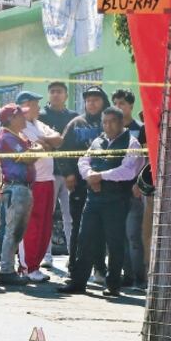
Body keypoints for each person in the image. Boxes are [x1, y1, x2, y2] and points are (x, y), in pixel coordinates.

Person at [58, 107, 143, 297]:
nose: (108, 125)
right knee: (85, 240)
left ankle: (113, 285)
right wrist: (90, 176)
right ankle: (78, 282)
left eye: (112, 121)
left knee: (114, 242)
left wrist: (100, 177)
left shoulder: (132, 142)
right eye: (105, 122)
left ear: (121, 122)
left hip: (116, 200)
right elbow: (83, 162)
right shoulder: (98, 141)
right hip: (94, 198)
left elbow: (128, 170)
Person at [58, 86, 110, 276]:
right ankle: (74, 268)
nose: (91, 103)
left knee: (102, 229)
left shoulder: (110, 123)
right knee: (78, 226)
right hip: (79, 184)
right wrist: (68, 174)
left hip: (106, 184)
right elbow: (62, 151)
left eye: (96, 99)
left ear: (103, 101)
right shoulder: (76, 124)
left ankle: (100, 269)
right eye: (88, 100)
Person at [11, 90, 62, 282]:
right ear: (24, 105)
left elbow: (58, 139)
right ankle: (26, 266)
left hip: (48, 180)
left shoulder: (39, 124)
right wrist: (45, 145)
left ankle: (35, 266)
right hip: (33, 181)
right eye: (34, 103)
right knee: (31, 225)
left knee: (44, 225)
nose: (39, 107)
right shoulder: (20, 126)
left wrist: (45, 143)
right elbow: (32, 150)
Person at [0, 103, 42, 287]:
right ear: (11, 118)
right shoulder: (7, 137)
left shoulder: (17, 136)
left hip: (22, 187)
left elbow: (34, 150)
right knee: (13, 231)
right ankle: (6, 270)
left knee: (17, 231)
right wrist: (37, 150)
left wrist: (35, 149)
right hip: (17, 188)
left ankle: (9, 269)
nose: (24, 118)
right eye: (20, 115)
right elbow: (29, 156)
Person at [38, 81, 78, 270]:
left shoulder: (74, 118)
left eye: (59, 92)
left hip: (69, 174)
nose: (56, 95)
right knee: (47, 216)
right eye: (52, 91)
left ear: (66, 95)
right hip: (47, 173)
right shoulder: (41, 116)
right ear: (48, 95)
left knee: (70, 216)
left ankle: (73, 255)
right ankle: (46, 256)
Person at [112, 89, 147, 289]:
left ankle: (139, 278)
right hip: (113, 191)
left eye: (123, 103)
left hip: (133, 191)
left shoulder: (140, 129)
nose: (119, 107)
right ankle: (124, 275)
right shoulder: (110, 130)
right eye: (115, 102)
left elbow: (145, 160)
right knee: (118, 236)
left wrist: (139, 183)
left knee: (133, 235)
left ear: (131, 106)